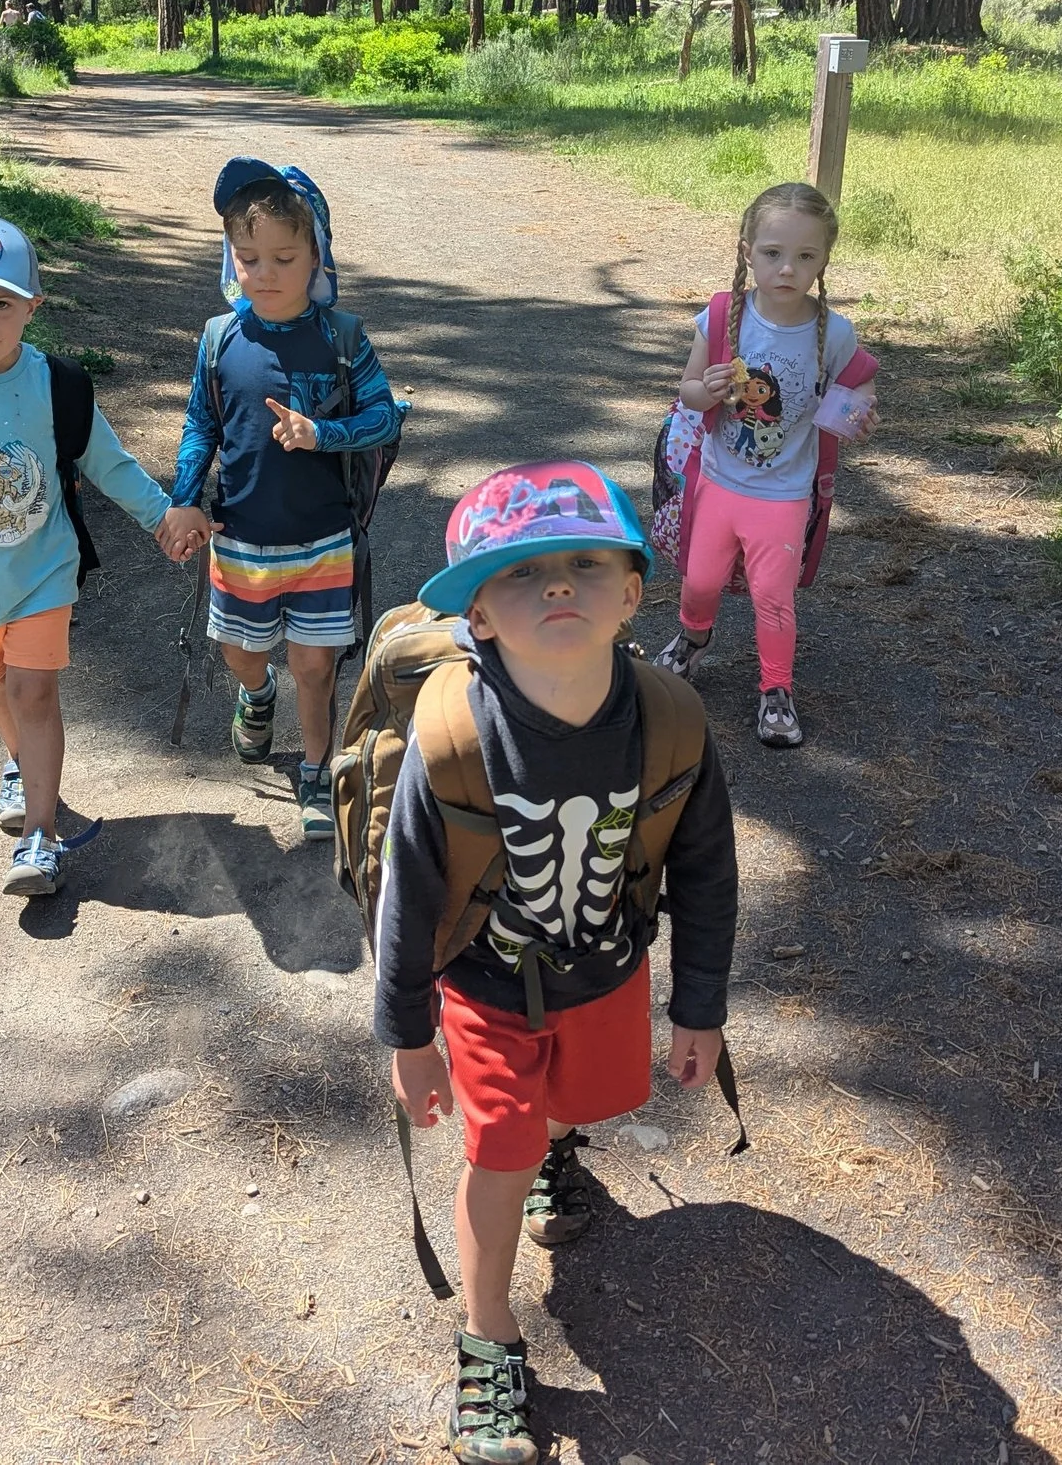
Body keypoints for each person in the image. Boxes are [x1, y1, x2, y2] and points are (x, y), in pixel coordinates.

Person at [374, 461, 736, 1465]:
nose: (559, 586)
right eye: (523, 574)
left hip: (608, 971)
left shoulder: (668, 721)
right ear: (477, 615)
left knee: (580, 1102)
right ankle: (486, 1333)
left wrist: (697, 1004)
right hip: (486, 985)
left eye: (583, 564)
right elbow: (405, 896)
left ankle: (554, 1148)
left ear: (633, 592)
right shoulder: (451, 738)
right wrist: (407, 1034)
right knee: (498, 1148)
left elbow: (706, 869)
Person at [0, 214, 210, 896]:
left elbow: (107, 463)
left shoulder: (58, 386)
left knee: (32, 689)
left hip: (43, 574)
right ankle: (20, 766)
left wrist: (162, 517)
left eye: (1, 304)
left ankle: (40, 838)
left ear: (32, 308)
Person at [168, 157, 402, 839]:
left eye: (283, 257)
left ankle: (315, 770)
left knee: (314, 664)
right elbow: (200, 424)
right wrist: (185, 498)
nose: (264, 273)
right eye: (248, 258)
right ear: (230, 258)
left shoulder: (341, 339)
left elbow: (386, 417)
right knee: (243, 654)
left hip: (324, 540)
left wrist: (322, 432)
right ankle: (255, 693)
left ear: (316, 258)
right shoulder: (219, 340)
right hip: (240, 538)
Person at [654, 180, 878, 748]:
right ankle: (693, 638)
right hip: (720, 480)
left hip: (784, 492)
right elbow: (688, 391)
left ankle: (776, 690)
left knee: (772, 598)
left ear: (824, 259)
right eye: (773, 253)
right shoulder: (725, 314)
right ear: (747, 251)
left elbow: (860, 381)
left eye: (806, 256)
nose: (787, 269)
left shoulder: (835, 331)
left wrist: (855, 414)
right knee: (699, 580)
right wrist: (703, 390)